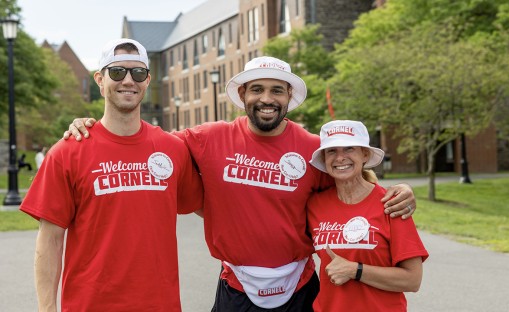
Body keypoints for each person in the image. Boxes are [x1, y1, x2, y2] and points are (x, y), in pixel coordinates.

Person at [65, 56, 417, 311]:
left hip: (300, 287)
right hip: (235, 286)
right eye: (258, 90)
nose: (267, 99)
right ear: (243, 95)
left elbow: (351, 183)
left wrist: (401, 192)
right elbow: (147, 142)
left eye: (277, 90)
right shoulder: (207, 138)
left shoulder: (314, 150)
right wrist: (95, 125)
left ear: (289, 98)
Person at [20, 38, 203, 311]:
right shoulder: (68, 152)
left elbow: (211, 209)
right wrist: (47, 308)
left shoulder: (172, 149)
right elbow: (49, 241)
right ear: (100, 80)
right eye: (117, 72)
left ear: (148, 80)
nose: (128, 80)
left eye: (138, 72)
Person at [307, 120, 428, 312]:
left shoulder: (390, 203)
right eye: (332, 151)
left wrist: (355, 270)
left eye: (349, 149)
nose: (340, 158)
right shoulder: (314, 205)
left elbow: (412, 279)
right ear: (324, 157)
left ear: (364, 154)